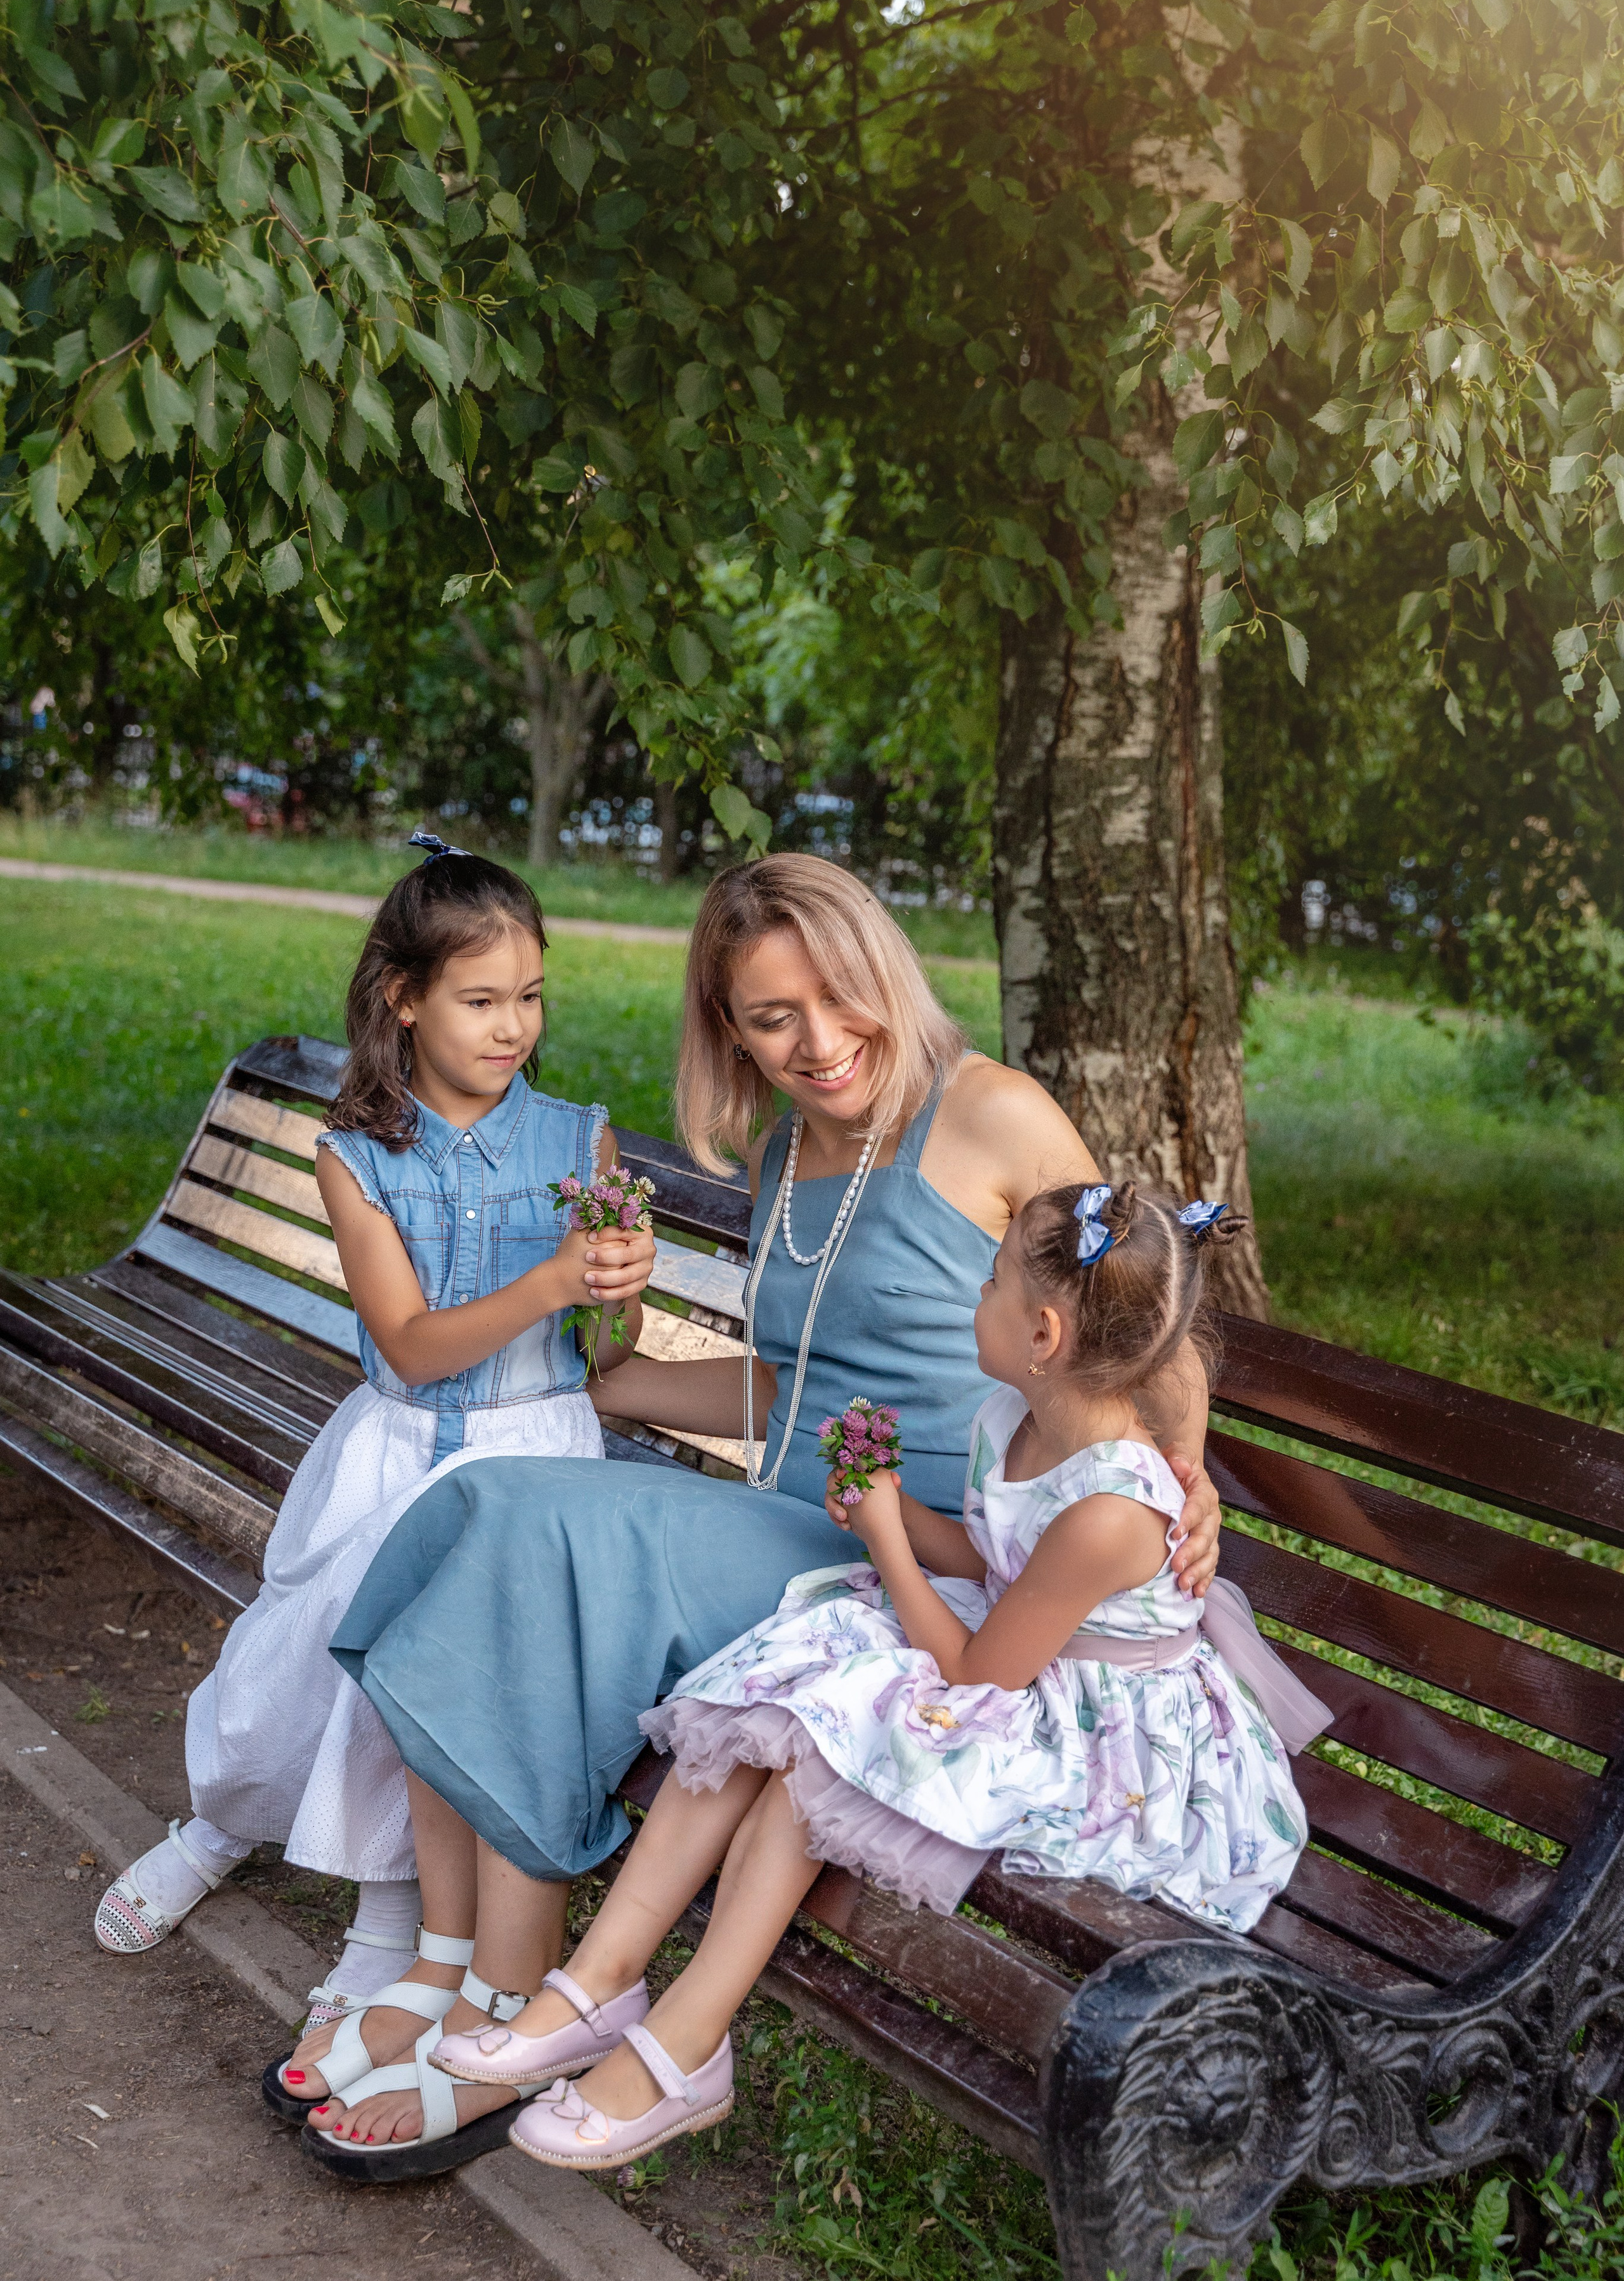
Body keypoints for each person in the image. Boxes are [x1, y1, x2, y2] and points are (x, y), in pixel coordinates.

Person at [295, 855, 1226, 2174]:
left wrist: (1191, 1482)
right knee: (482, 1507)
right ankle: (462, 1967)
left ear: (884, 975)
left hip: (913, 1558)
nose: (818, 1043)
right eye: (769, 1017)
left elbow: (1137, 1317)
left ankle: (510, 1994)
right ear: (726, 1025)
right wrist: (617, 1371)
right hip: (791, 1523)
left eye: (837, 999)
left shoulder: (990, 1115)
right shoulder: (795, 1143)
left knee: (535, 1533)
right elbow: (795, 1383)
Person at [433, 1179, 1325, 2174]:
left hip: (1115, 1746)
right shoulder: (1014, 1416)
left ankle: (687, 2044)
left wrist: (893, 1545)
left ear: (1042, 1332)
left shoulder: (1114, 1511)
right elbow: (994, 1564)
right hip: (1023, 1662)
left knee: (828, 1746)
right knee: (783, 1685)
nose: (969, 1302)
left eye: (986, 1285)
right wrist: (892, 1513)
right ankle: (599, 1984)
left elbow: (981, 1672)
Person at [93, 835, 654, 2060]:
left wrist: (617, 1281)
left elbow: (608, 1346)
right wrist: (554, 1275)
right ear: (405, 998)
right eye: (482, 1000)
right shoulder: (355, 1155)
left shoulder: (578, 1137)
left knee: (427, 1701)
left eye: (532, 997)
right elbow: (407, 1345)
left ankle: (382, 1932)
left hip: (536, 1462)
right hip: (400, 1453)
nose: (514, 1026)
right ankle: (217, 1829)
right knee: (294, 1669)